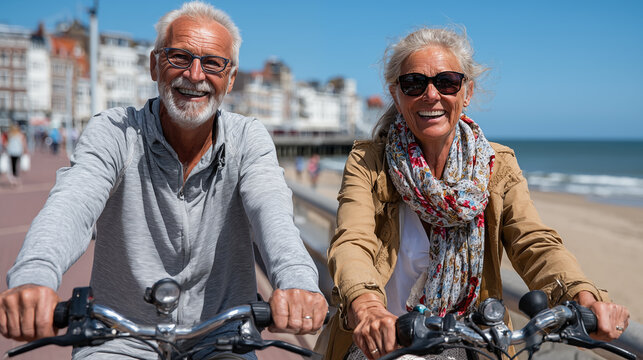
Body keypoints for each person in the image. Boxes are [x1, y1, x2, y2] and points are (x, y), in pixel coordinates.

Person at [0, 2, 327, 359]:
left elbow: (272, 212)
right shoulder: (115, 131)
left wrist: (297, 284)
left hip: (222, 337)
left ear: (230, 79)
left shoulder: (248, 139)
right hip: (119, 336)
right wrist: (35, 277)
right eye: (179, 57)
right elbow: (72, 203)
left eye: (213, 63)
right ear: (155, 64)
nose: (195, 74)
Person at [320, 27, 630, 360]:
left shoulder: (497, 166)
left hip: (470, 342)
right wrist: (367, 308)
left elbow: (534, 243)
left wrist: (581, 294)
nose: (431, 95)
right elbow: (352, 241)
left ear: (466, 92)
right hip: (383, 344)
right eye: (414, 83)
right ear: (397, 95)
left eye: (447, 82)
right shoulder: (369, 162)